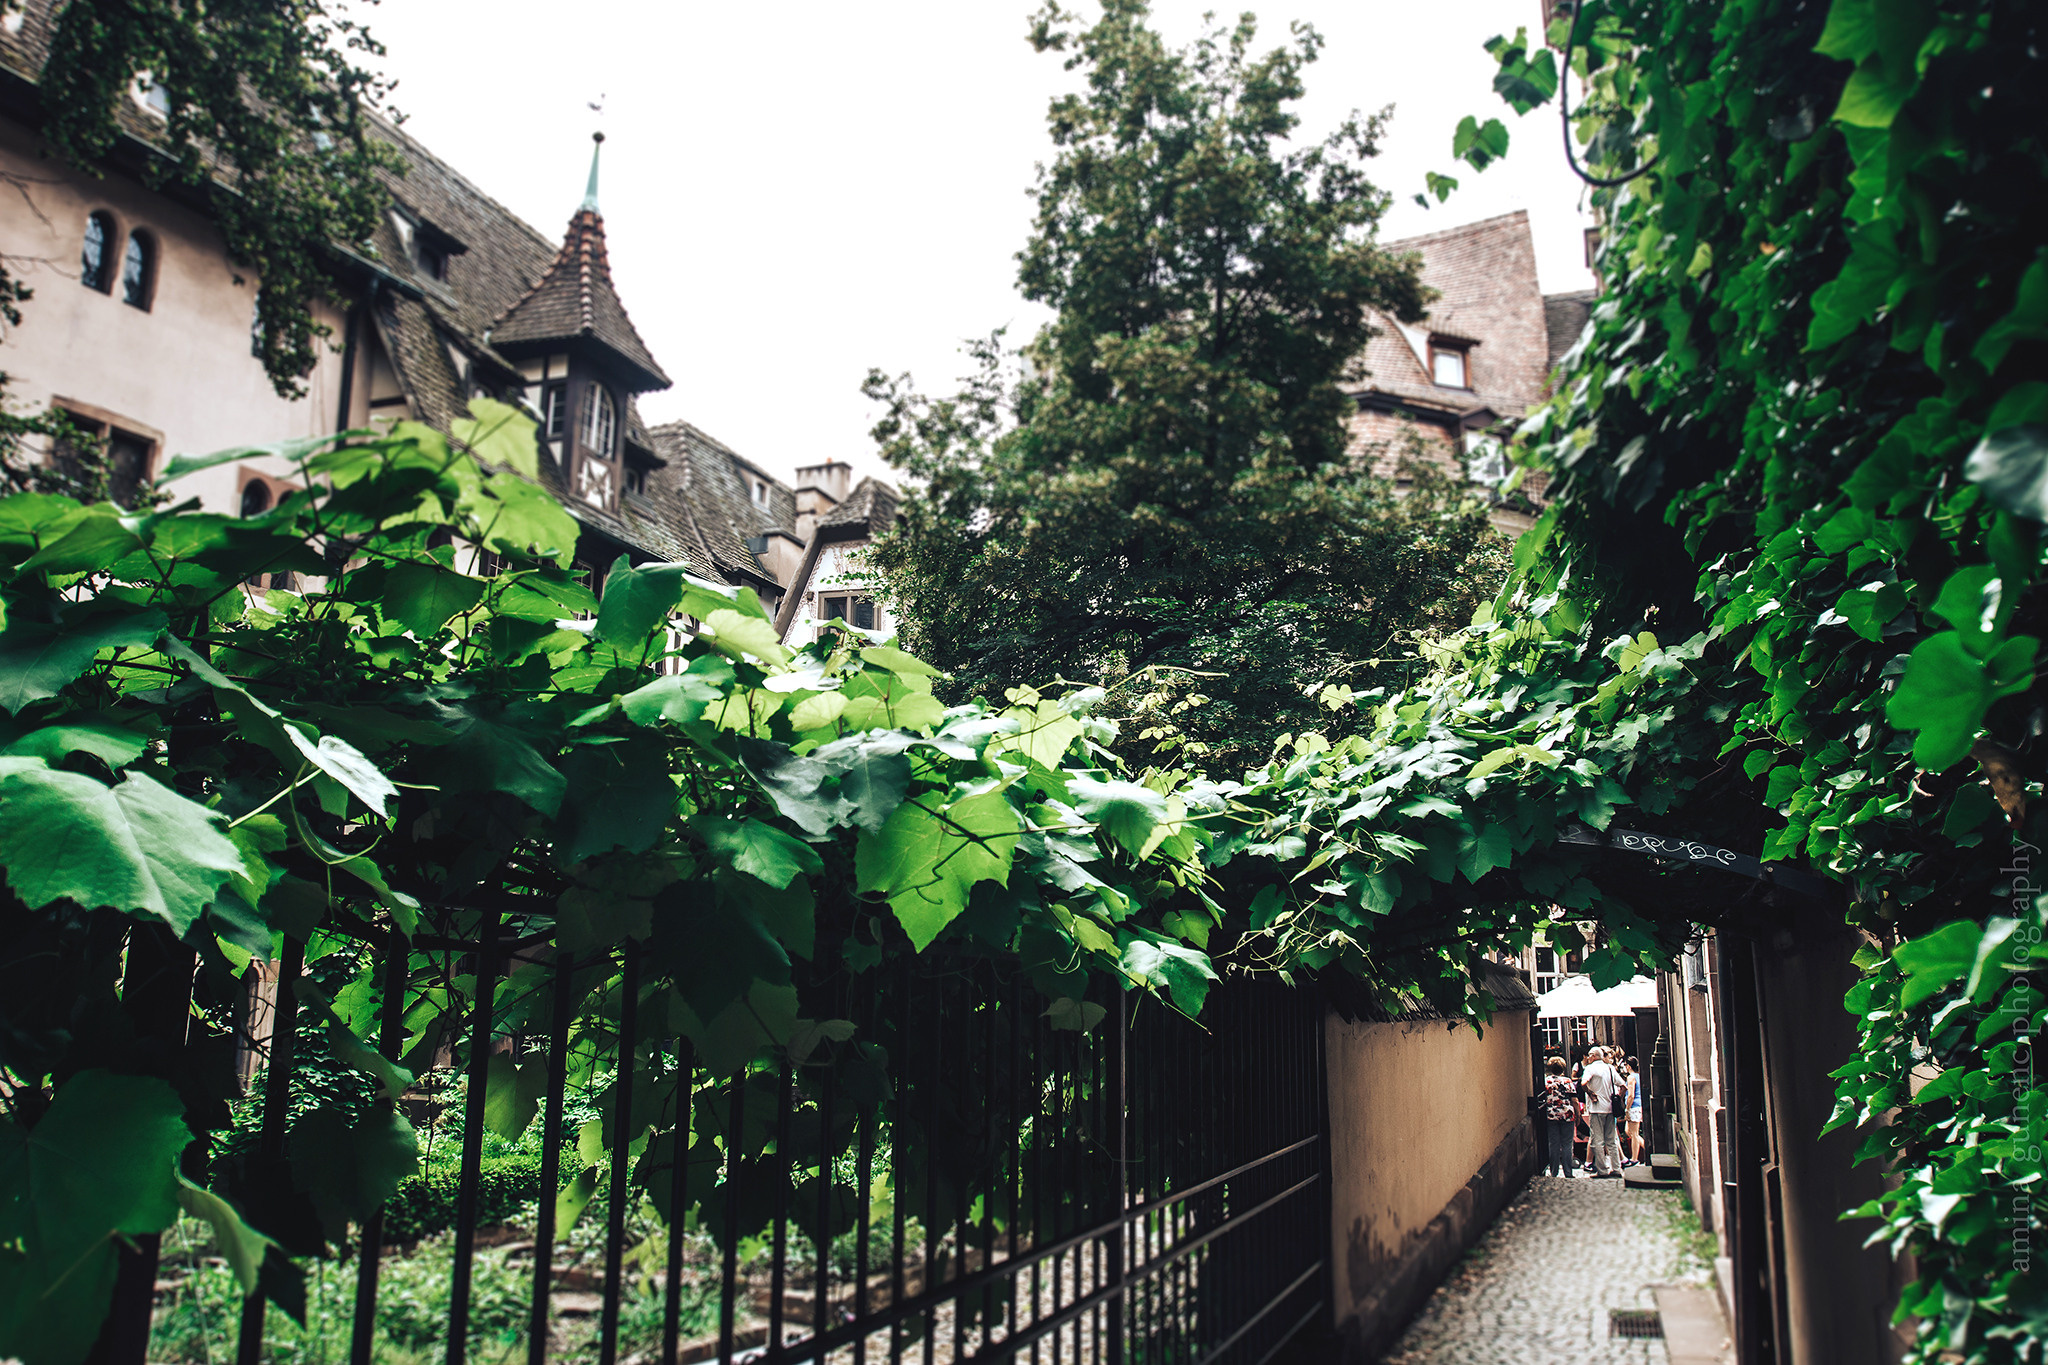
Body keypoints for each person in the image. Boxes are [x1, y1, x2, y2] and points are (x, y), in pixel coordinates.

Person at [1581, 1046, 1622, 1177]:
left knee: (1597, 1141)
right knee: (1611, 1140)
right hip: (1610, 1109)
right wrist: (1618, 1099)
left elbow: (1583, 1083)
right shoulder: (1610, 1068)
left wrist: (1590, 1093)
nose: (1587, 1058)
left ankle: (1602, 1170)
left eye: (1589, 1055)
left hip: (1596, 1108)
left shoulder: (1590, 1068)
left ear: (1593, 1056)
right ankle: (1616, 1169)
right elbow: (1623, 1086)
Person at [1540, 1055, 1579, 1177]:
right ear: (1563, 1068)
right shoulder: (1567, 1081)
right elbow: (1574, 1100)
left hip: (1551, 1115)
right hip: (1566, 1115)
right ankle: (1568, 1172)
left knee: (1553, 1143)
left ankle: (1554, 1172)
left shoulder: (1546, 1081)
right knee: (1567, 1144)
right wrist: (1578, 1115)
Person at [1625, 1055, 1645, 1163]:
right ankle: (1646, 1149)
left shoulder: (1631, 1077)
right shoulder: (1638, 1076)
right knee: (1628, 1131)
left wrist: (1627, 1109)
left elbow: (1631, 1095)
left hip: (1634, 1106)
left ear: (1628, 1066)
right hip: (1637, 1105)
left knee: (1634, 1133)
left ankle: (1634, 1158)